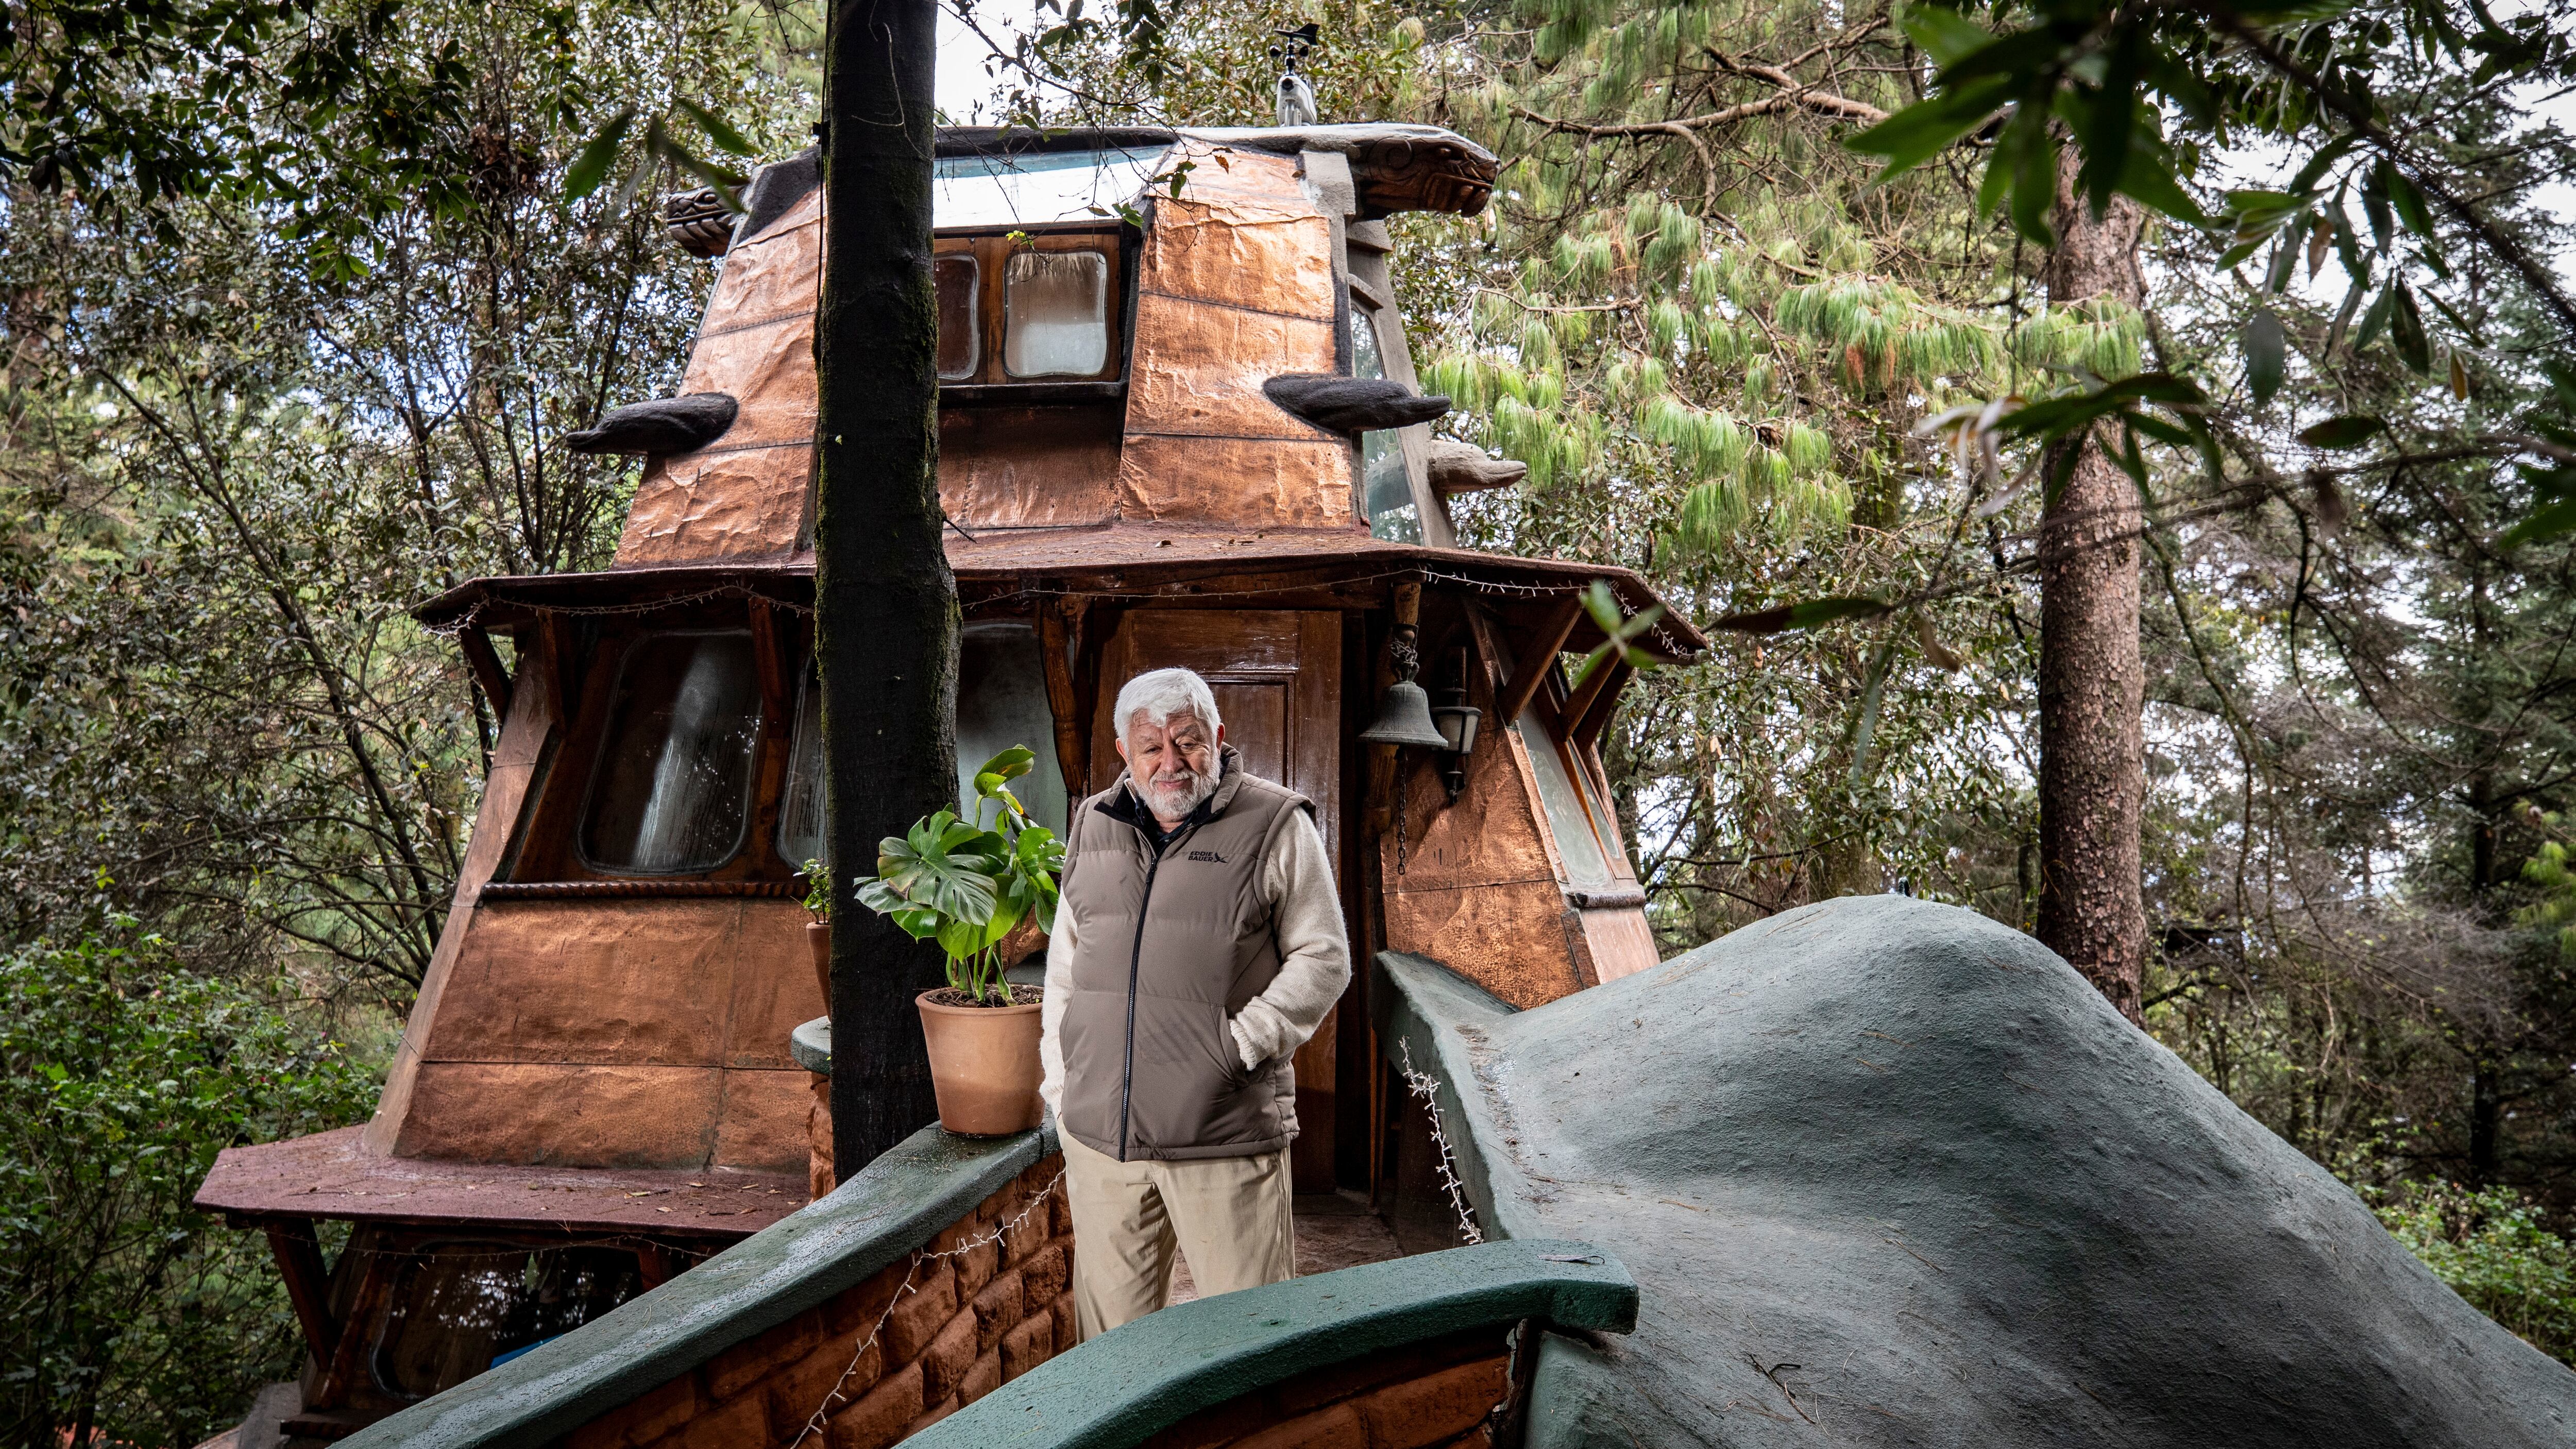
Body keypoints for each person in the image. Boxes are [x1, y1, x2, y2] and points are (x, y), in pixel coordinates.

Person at [1039, 666, 1351, 1338]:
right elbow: (1065, 966)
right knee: (1112, 1355)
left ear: (1218, 735)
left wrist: (1237, 1046)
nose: (1170, 761)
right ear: (1123, 750)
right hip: (1102, 1139)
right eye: (1151, 745)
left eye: (1188, 740)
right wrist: (1061, 1085)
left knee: (1251, 1346)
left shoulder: (1275, 823)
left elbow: (1324, 955)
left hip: (1223, 1133)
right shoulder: (1092, 823)